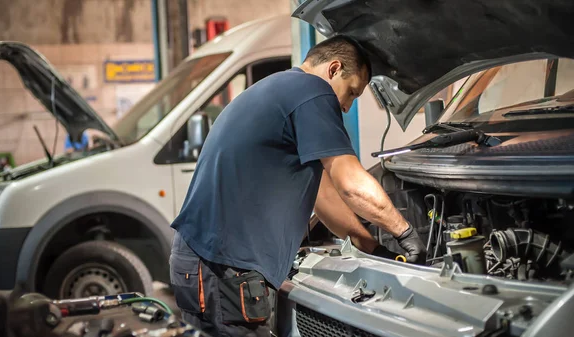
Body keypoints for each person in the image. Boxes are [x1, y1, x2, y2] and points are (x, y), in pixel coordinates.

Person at [169, 35, 426, 336]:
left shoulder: (281, 89)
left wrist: (370, 245)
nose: (346, 107)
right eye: (352, 93)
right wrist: (405, 232)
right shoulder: (313, 92)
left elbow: (324, 195)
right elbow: (350, 183)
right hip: (223, 270)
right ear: (333, 69)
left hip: (199, 262)